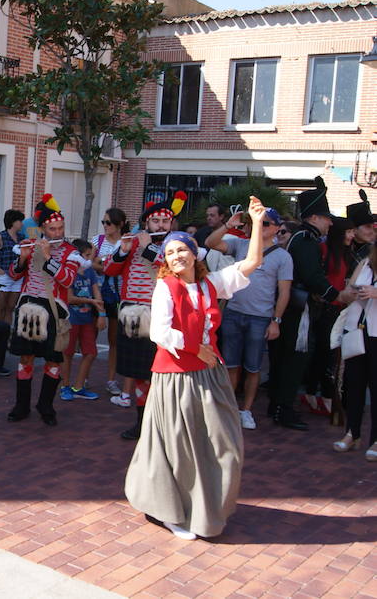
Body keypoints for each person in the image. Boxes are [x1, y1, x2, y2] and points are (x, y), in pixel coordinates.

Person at [125, 196, 267, 541]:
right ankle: (170, 510)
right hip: (175, 376)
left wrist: (257, 223)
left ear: (194, 254)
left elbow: (251, 262)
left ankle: (204, 506)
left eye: (182, 250)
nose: (176, 256)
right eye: (171, 253)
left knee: (225, 445)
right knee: (178, 448)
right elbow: (159, 332)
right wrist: (196, 348)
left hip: (209, 374)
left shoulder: (211, 284)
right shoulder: (165, 287)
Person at [270, 177, 355, 430]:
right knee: (295, 359)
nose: (330, 222)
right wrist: (335, 295)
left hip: (299, 306)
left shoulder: (304, 237)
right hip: (300, 308)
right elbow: (311, 276)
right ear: (315, 217)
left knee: (291, 359)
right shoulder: (305, 239)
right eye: (326, 217)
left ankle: (279, 404)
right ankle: (283, 409)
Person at [206, 207, 292, 430]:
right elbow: (210, 243)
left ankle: (246, 410)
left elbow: (284, 291)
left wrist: (276, 320)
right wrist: (228, 225)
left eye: (265, 223)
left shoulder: (283, 256)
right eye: (257, 222)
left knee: (253, 367)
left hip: (260, 317)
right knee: (231, 364)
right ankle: (229, 408)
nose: (259, 226)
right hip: (234, 312)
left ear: (275, 228)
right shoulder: (241, 244)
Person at [103, 196, 176, 440]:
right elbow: (109, 270)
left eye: (166, 220)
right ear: (146, 222)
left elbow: (173, 269)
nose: (161, 225)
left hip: (161, 318)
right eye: (156, 221)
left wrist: (147, 247)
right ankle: (142, 422)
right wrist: (122, 251)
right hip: (132, 317)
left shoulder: (176, 244)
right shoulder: (132, 243)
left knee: (160, 374)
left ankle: (162, 424)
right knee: (139, 374)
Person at [7, 194, 83, 426]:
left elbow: (67, 280)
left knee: (53, 360)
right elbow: (13, 275)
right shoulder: (30, 244)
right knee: (26, 357)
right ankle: (21, 406)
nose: (58, 233)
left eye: (60, 228)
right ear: (42, 229)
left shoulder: (71, 252)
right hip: (29, 307)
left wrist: (49, 257)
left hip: (54, 310)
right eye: (52, 229)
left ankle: (46, 405)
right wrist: (22, 259)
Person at [303, 216, 354, 415]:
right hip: (326, 308)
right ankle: (319, 393)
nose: (351, 235)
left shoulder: (346, 254)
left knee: (329, 354)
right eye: (348, 231)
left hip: (340, 308)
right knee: (325, 353)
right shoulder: (324, 250)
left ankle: (319, 392)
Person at [333, 244, 377, 461]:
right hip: (357, 330)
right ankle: (352, 432)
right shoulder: (365, 264)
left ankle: (376, 439)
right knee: (354, 385)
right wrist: (351, 292)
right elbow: (346, 294)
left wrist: (375, 293)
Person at [60, 239, 106, 401]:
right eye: (87, 256)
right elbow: (70, 298)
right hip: (71, 318)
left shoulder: (90, 272)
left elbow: (97, 293)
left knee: (91, 352)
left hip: (86, 319)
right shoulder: (69, 272)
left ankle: (78, 386)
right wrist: (91, 302)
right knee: (67, 353)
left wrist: (101, 314)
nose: (89, 260)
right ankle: (65, 386)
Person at [93, 207, 129, 396]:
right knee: (90, 337)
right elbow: (90, 264)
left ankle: (111, 379)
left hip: (117, 294)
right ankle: (82, 379)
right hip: (97, 293)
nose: (105, 226)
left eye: (109, 223)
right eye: (104, 222)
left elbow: (123, 267)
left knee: (114, 339)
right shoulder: (97, 240)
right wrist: (105, 264)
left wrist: (104, 264)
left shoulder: (126, 243)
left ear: (120, 224)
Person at [0, 209, 25, 325]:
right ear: (13, 222)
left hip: (18, 276)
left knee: (11, 307)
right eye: (19, 221)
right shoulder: (0, 237)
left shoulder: (22, 237)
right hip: (4, 275)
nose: (22, 223)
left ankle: (7, 333)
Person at [347, 190, 374, 265]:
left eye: (373, 226)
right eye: (368, 226)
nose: (372, 231)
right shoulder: (341, 248)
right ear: (354, 229)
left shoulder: (373, 251)